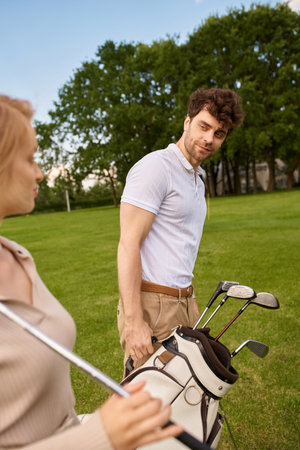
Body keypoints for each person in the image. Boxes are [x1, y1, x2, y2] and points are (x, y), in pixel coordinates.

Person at [0, 95, 183, 449]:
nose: (39, 172)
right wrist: (100, 434)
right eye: (30, 157)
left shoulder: (17, 256)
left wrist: (98, 424)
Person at [117, 87, 244, 374]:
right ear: (187, 122)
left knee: (180, 402)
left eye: (219, 134)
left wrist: (191, 301)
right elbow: (128, 245)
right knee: (147, 402)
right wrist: (134, 320)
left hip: (182, 301)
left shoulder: (197, 178)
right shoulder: (156, 168)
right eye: (204, 126)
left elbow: (181, 248)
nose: (209, 139)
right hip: (152, 304)